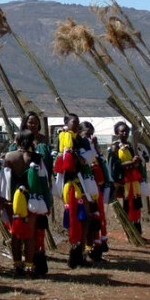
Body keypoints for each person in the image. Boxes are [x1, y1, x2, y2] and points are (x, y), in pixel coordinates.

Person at [0, 129, 50, 276]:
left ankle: (17, 265)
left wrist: (1, 201)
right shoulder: (37, 158)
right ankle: (29, 267)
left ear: (17, 141)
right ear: (32, 141)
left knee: (15, 234)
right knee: (30, 234)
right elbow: (43, 182)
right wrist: (46, 203)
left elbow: (3, 183)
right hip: (33, 200)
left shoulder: (9, 157)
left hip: (12, 201)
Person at [54, 113, 95, 268]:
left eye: (78, 123)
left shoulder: (82, 140)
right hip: (68, 183)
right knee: (73, 217)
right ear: (65, 123)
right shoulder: (62, 138)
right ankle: (74, 251)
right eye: (73, 122)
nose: (76, 125)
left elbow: (88, 158)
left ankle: (81, 252)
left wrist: (78, 157)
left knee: (85, 217)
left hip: (82, 182)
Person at [79, 121, 111, 261]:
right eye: (86, 134)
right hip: (84, 187)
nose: (89, 138)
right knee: (87, 218)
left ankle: (95, 248)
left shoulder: (93, 150)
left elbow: (100, 167)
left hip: (95, 187)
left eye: (91, 135)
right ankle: (86, 248)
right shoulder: (79, 149)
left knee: (97, 218)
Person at [108, 121, 143, 235]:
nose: (125, 133)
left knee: (136, 203)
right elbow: (114, 165)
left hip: (133, 180)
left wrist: (137, 163)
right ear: (117, 133)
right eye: (122, 131)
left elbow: (135, 163)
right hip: (123, 181)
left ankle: (137, 231)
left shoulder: (130, 146)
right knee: (127, 205)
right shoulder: (115, 147)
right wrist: (130, 162)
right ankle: (129, 232)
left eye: (127, 131)